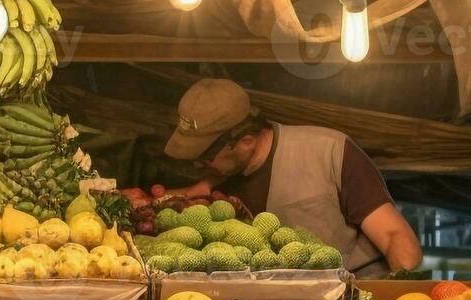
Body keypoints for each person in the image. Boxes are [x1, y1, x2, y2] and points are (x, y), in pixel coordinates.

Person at [160, 79, 422, 277]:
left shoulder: (330, 151)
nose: (198, 164)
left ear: (246, 142)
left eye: (205, 156)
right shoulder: (219, 181)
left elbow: (395, 237)